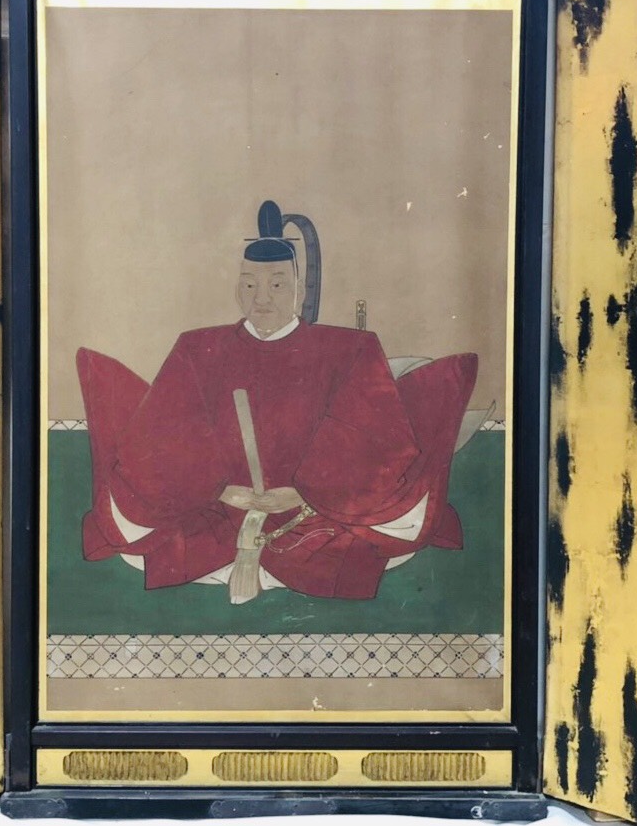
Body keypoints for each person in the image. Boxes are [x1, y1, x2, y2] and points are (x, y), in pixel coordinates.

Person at [79, 224, 477, 601]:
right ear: (237, 288)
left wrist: (305, 493)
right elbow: (163, 435)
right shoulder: (197, 349)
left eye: (277, 284)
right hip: (219, 507)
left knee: (385, 527)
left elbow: (369, 438)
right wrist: (218, 490)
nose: (262, 298)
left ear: (300, 290)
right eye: (249, 284)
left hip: (315, 510)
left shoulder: (349, 349)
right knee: (140, 522)